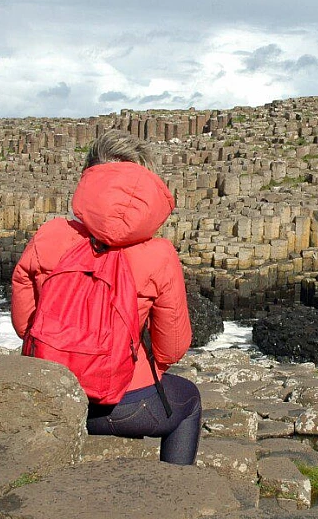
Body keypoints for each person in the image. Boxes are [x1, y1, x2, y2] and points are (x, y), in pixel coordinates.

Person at [11, 131, 200, 465]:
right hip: (124, 405)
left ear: (89, 178)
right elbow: (171, 348)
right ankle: (173, 498)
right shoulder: (159, 254)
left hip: (52, 396)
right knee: (188, 403)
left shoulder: (50, 234)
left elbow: (25, 325)